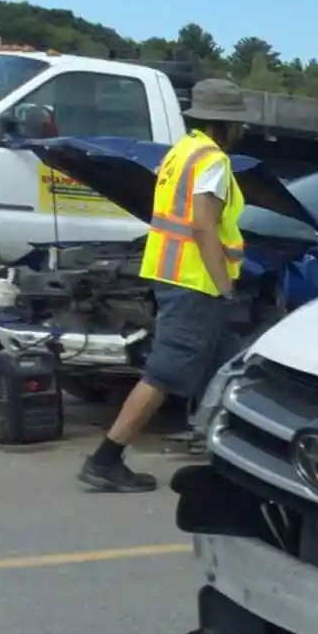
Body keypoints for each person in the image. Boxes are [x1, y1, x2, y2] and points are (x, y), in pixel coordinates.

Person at [78, 79, 249, 492]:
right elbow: (203, 226)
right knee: (165, 373)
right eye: (240, 124)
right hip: (194, 283)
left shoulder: (181, 153)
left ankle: (230, 459)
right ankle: (106, 458)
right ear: (227, 124)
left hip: (172, 275)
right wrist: (226, 287)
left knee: (226, 364)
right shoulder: (213, 162)